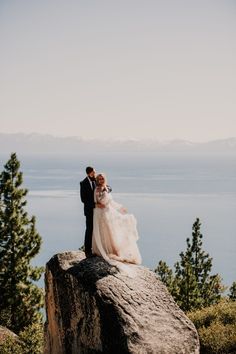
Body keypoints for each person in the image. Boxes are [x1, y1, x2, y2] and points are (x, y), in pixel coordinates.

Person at [92, 173, 142, 265]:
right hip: (100, 214)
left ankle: (115, 251)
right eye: (99, 179)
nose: (101, 180)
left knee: (112, 232)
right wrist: (101, 205)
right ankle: (104, 249)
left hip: (108, 212)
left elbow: (111, 202)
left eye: (102, 178)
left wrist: (120, 207)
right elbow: (96, 202)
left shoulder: (106, 188)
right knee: (103, 232)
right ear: (97, 180)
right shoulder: (97, 189)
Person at [80, 166, 97, 257]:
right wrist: (94, 205)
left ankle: (96, 248)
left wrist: (107, 189)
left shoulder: (95, 181)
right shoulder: (83, 183)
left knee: (96, 229)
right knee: (89, 229)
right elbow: (83, 199)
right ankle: (87, 250)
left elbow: (106, 186)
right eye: (94, 172)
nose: (95, 173)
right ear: (89, 173)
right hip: (89, 211)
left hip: (97, 211)